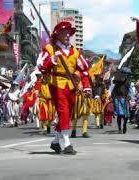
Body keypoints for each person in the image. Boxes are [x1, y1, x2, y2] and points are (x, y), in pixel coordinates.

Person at [38, 21, 91, 155]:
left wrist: (86, 86)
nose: (67, 35)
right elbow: (41, 66)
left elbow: (84, 69)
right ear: (57, 34)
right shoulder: (50, 49)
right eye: (64, 32)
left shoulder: (75, 51)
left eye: (69, 32)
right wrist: (53, 59)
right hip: (56, 83)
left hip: (71, 84)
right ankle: (67, 144)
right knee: (64, 111)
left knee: (68, 113)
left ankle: (56, 142)